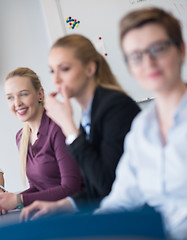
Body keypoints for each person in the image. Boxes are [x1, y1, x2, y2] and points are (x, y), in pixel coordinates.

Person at [93, 8, 187, 239]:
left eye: (158, 49)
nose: (148, 62)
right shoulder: (141, 129)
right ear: (129, 67)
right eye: (136, 56)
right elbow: (120, 202)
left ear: (181, 50)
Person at [19, 34, 140, 221]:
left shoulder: (116, 108)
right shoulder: (89, 114)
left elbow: (108, 187)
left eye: (64, 69)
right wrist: (60, 205)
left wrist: (67, 126)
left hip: (137, 219)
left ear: (90, 68)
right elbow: (94, 189)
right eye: (52, 71)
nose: (56, 80)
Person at [0, 67, 83, 215]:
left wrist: (19, 200)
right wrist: (6, 199)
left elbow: (71, 188)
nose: (17, 103)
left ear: (40, 94)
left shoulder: (58, 129)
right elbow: (38, 187)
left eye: (23, 94)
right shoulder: (21, 137)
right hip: (48, 215)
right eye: (10, 97)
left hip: (74, 215)